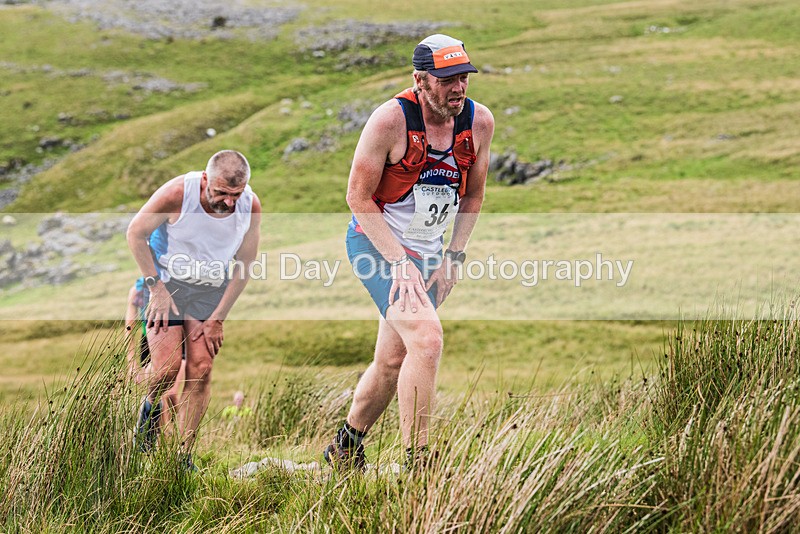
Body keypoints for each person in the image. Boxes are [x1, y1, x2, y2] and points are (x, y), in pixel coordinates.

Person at [324, 34, 495, 470]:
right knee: (427, 338)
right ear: (420, 80)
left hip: (429, 254)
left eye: (463, 78)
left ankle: (344, 448)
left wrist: (454, 255)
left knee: (392, 360)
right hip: (376, 244)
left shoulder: (479, 123)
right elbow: (357, 198)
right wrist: (399, 263)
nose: (458, 88)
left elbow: (473, 195)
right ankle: (419, 464)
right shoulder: (389, 121)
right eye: (447, 80)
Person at [127, 150, 262, 470]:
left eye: (236, 194)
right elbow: (135, 233)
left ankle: (183, 456)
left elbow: (245, 264)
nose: (228, 202)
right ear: (205, 180)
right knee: (166, 370)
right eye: (221, 193)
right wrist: (155, 288)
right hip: (166, 284)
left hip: (209, 290)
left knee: (201, 368)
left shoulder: (250, 206)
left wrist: (218, 318)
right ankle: (148, 414)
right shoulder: (177, 194)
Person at [124, 278, 186, 433]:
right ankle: (157, 441)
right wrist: (132, 365)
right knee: (160, 394)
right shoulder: (137, 291)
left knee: (171, 394)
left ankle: (173, 436)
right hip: (148, 343)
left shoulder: (177, 282)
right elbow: (129, 329)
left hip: (176, 340)